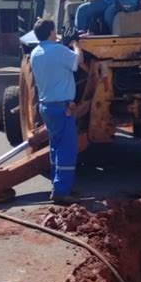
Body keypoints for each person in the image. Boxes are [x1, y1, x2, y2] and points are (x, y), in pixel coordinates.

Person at [30, 18, 83, 204]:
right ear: (51, 32)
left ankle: (58, 183)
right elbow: (77, 61)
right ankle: (61, 191)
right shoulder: (60, 51)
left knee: (55, 146)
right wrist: (75, 43)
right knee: (67, 149)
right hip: (63, 107)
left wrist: (64, 45)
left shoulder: (35, 53)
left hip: (46, 107)